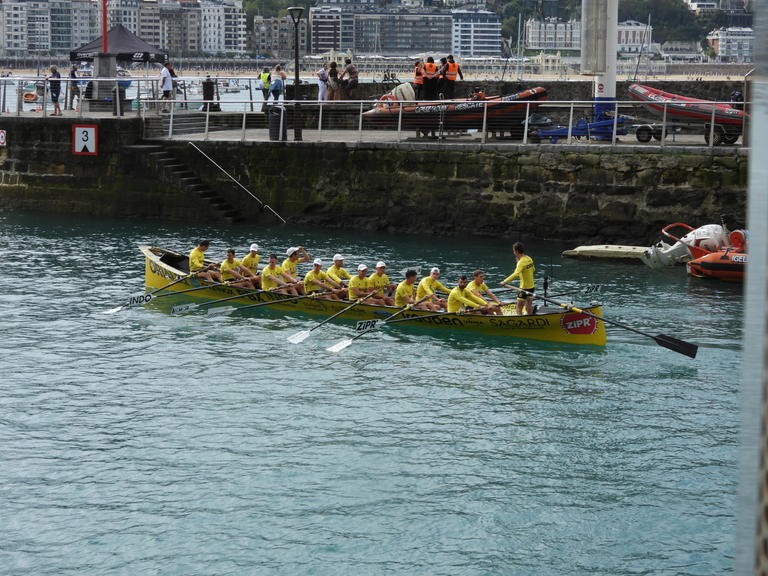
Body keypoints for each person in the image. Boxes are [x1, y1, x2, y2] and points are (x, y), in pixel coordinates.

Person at [500, 241, 535, 315]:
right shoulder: (529, 258)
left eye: (513, 251)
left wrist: (504, 282)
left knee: (518, 307)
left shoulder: (521, 262)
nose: (513, 252)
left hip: (524, 288)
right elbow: (533, 269)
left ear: (516, 251)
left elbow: (516, 274)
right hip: (531, 287)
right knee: (528, 307)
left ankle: (521, 323)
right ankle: (531, 320)